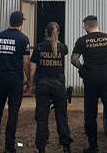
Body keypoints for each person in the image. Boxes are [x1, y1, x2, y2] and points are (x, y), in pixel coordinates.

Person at [71, 15, 107, 153]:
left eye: (84, 26)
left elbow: (74, 59)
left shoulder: (82, 40)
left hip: (91, 79)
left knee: (90, 113)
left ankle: (93, 146)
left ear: (87, 26)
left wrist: (82, 68)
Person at [0, 11, 31, 153]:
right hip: (15, 79)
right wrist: (29, 80)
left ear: (10, 22)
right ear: (21, 23)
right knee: (13, 112)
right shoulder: (23, 39)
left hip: (1, 77)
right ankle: (9, 146)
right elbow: (26, 63)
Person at [30, 22, 73, 153]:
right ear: (58, 33)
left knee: (42, 117)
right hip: (58, 85)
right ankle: (66, 146)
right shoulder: (63, 48)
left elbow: (32, 68)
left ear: (45, 32)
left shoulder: (38, 48)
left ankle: (41, 148)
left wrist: (31, 84)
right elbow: (60, 47)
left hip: (42, 84)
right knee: (61, 116)